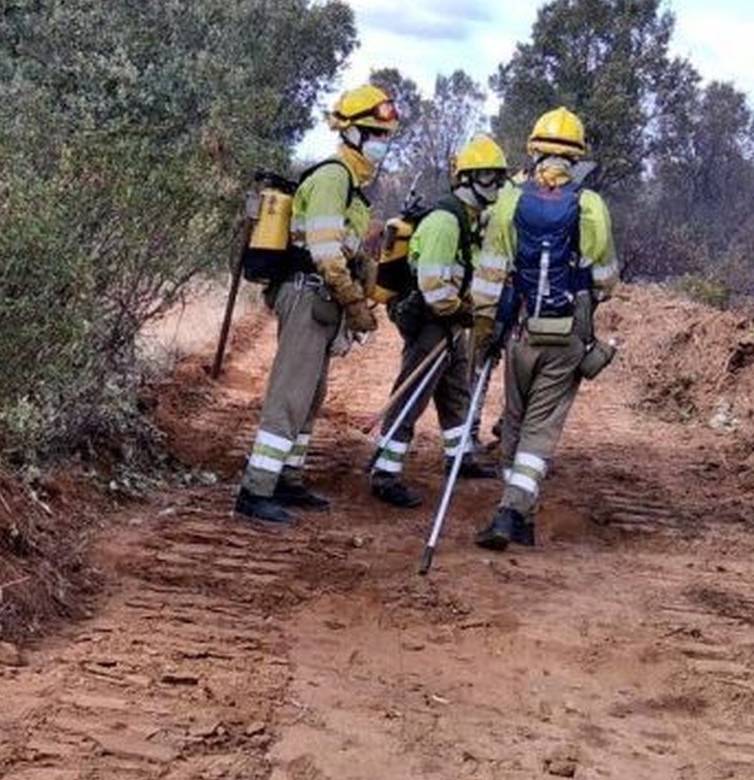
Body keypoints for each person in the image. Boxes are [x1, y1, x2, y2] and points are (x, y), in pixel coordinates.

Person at [234, 84, 398, 524]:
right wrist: (353, 300)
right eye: (373, 133)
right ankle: (256, 490)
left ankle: (288, 479)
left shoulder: (351, 183)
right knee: (290, 394)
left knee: (310, 395)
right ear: (351, 134)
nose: (382, 143)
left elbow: (341, 249)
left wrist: (360, 275)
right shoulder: (332, 178)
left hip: (322, 297)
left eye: (385, 135)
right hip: (309, 294)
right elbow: (325, 251)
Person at [469, 107, 619, 549]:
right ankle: (511, 510)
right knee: (541, 429)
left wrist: (484, 326)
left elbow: (491, 271)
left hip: (520, 331)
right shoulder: (590, 205)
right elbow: (605, 277)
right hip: (567, 334)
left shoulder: (509, 202)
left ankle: (522, 521)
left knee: (514, 422)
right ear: (577, 156)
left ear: (533, 151)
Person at [368, 135, 508, 508]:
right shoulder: (446, 222)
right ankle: (385, 473)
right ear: (466, 178)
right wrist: (463, 312)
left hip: (448, 322)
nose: (494, 185)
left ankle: (459, 456)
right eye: (486, 176)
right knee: (412, 395)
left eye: (498, 176)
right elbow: (433, 286)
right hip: (431, 321)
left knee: (455, 392)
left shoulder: (469, 220)